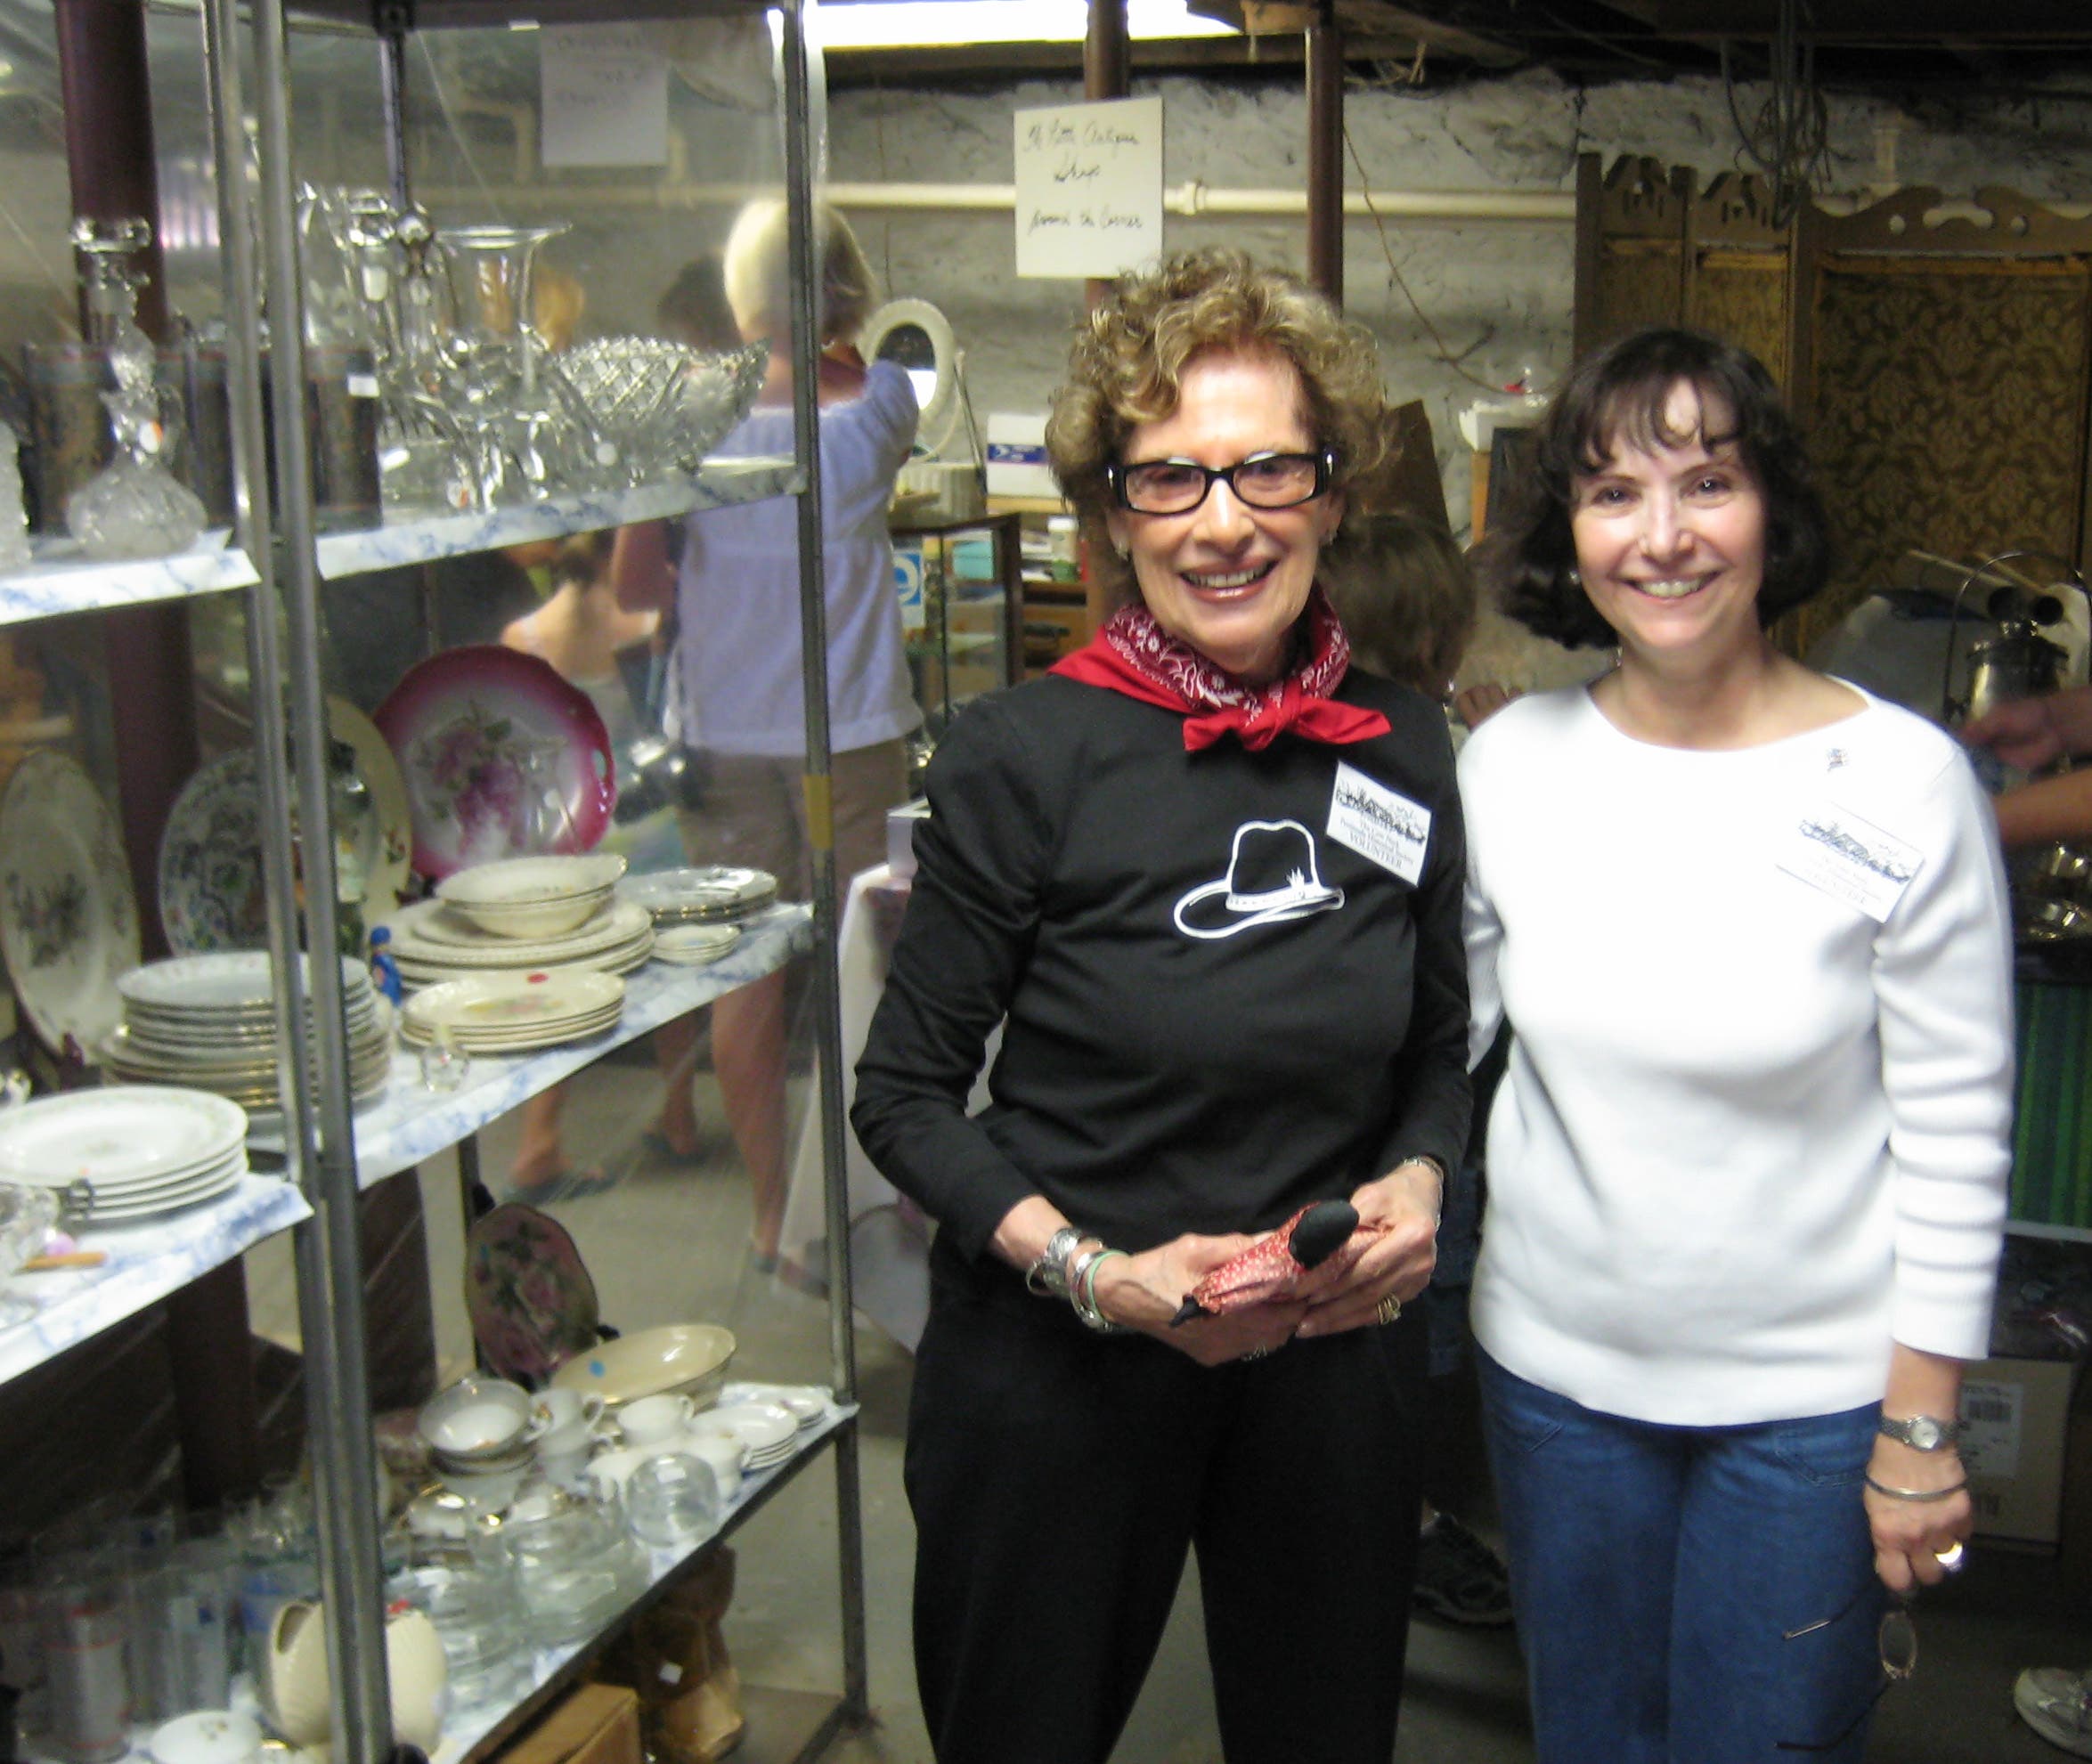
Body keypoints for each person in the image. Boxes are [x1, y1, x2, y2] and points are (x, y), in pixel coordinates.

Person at [851, 248, 1469, 1764]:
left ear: (1330, 493)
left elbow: (1434, 1048)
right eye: (1169, 478)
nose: (1222, 521)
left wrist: (1417, 1178)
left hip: (1327, 1356)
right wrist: (1095, 1275)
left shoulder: (1399, 746)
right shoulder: (1022, 755)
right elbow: (904, 1096)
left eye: (1267, 469)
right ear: (1113, 515)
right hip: (1063, 1360)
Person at [1461, 325, 2015, 1762]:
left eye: (1705, 482)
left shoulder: (1902, 783)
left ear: (1771, 508)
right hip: (1553, 1386)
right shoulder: (1508, 766)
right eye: (1612, 494)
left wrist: (1919, 1429)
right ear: (1568, 532)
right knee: (1588, 1739)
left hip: (1808, 1411)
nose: (1662, 538)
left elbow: (1956, 1128)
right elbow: (1422, 1040)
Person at [615, 200, 920, 1270]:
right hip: (850, 727)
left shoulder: (679, 415)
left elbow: (634, 585)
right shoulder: (881, 402)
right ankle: (884, 1205)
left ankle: (769, 1218)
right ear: (842, 285)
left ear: (737, 292)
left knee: (745, 968)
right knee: (872, 963)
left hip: (727, 731)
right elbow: (855, 371)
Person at [1322, 512, 1514, 1630]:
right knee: (1407, 1320)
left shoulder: (1313, 749)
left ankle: (1380, 1517)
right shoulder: (1447, 765)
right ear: (1441, 639)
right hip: (1431, 1106)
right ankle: (1404, 1522)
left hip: (1343, 1097)